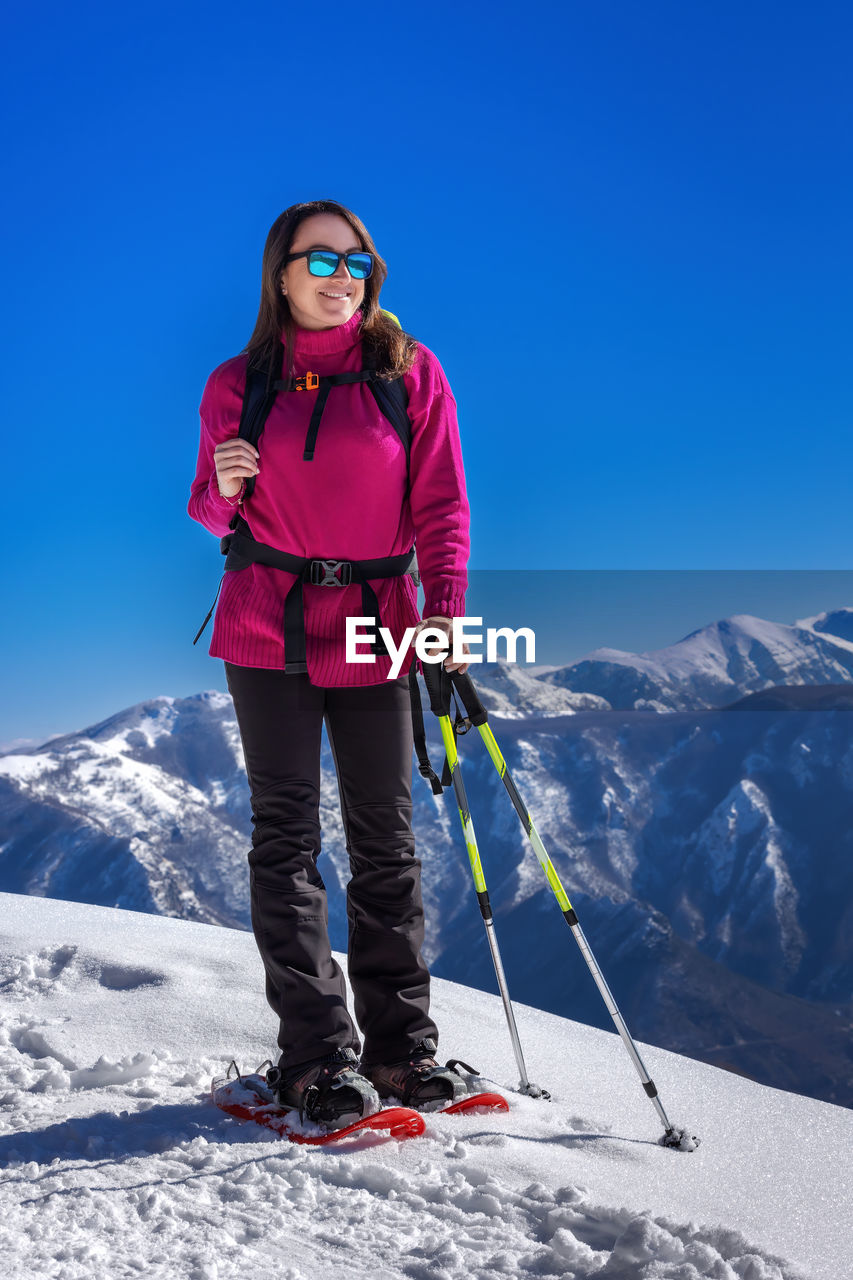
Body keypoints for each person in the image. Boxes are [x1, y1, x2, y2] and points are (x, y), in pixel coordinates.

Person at [188, 199, 473, 1128]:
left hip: (378, 622)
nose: (340, 276)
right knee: (286, 841)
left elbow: (441, 508)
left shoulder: (408, 373)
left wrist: (446, 618)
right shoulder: (238, 384)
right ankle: (316, 1061)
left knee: (385, 838)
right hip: (267, 621)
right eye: (321, 261)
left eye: (355, 262)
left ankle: (402, 1054)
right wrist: (222, 487)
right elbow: (209, 508)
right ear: (281, 274)